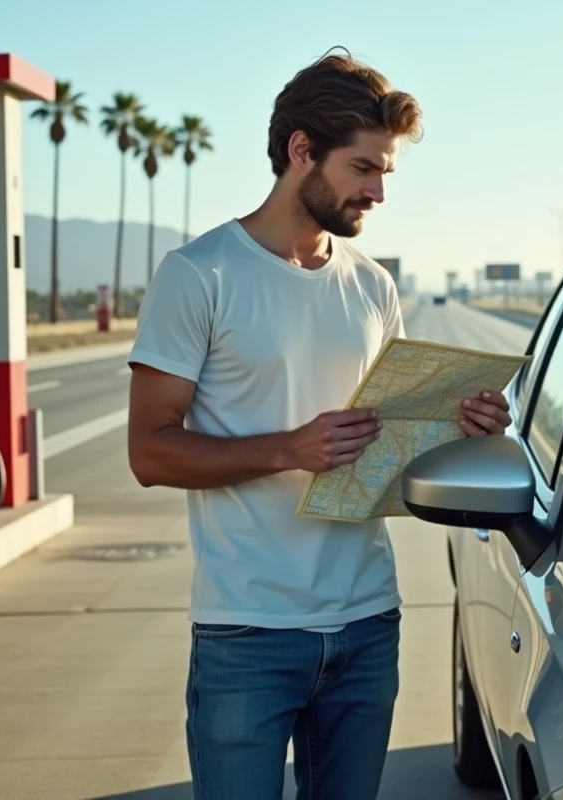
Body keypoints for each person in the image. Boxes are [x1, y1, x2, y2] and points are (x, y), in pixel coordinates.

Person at [125, 50, 512, 799]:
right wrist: (289, 449)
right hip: (247, 631)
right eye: (363, 168)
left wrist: (461, 430)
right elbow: (149, 451)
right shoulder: (198, 274)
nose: (377, 191)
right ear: (302, 150)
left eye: (385, 174)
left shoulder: (372, 285)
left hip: (368, 623)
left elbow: (387, 450)